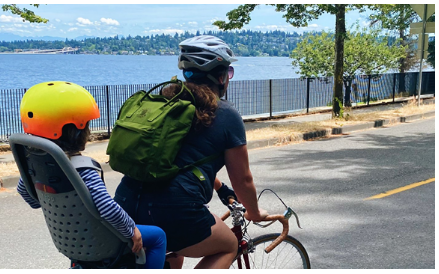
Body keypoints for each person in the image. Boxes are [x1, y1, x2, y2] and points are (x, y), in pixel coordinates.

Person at [113, 35, 266, 269]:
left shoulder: (167, 103)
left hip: (126, 202)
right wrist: (254, 213)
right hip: (174, 212)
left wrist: (221, 189)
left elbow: (177, 160)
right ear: (221, 76)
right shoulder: (225, 114)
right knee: (229, 245)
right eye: (229, 72)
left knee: (174, 255)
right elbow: (243, 178)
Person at [15, 81, 167, 269]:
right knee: (158, 236)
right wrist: (131, 229)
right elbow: (106, 207)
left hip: (70, 241)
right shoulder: (82, 168)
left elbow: (27, 194)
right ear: (76, 131)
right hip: (101, 240)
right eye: (86, 124)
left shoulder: (38, 166)